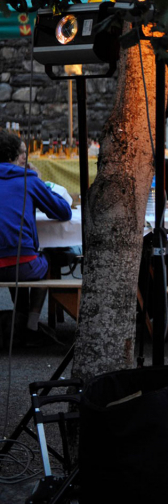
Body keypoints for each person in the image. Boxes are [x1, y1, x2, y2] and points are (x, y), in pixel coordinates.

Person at [0, 130, 73, 346]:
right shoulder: (27, 180)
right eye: (23, 152)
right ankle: (31, 323)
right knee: (43, 259)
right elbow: (63, 211)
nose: (26, 156)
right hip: (22, 265)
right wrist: (38, 182)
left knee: (15, 257)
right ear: (15, 156)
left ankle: (19, 317)